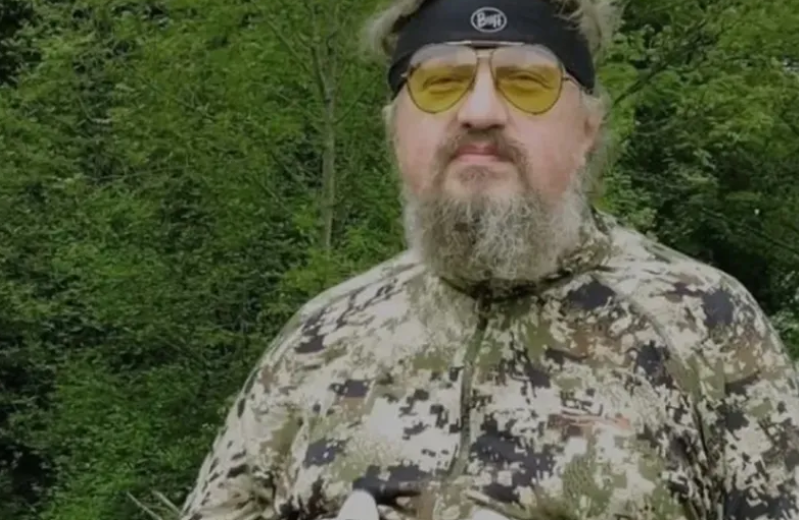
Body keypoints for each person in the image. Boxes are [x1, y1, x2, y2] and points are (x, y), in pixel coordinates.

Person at [174, 1, 799, 520]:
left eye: (526, 82)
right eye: (440, 82)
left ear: (586, 130)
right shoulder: (319, 340)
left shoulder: (705, 326)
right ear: (395, 129)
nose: (480, 112)